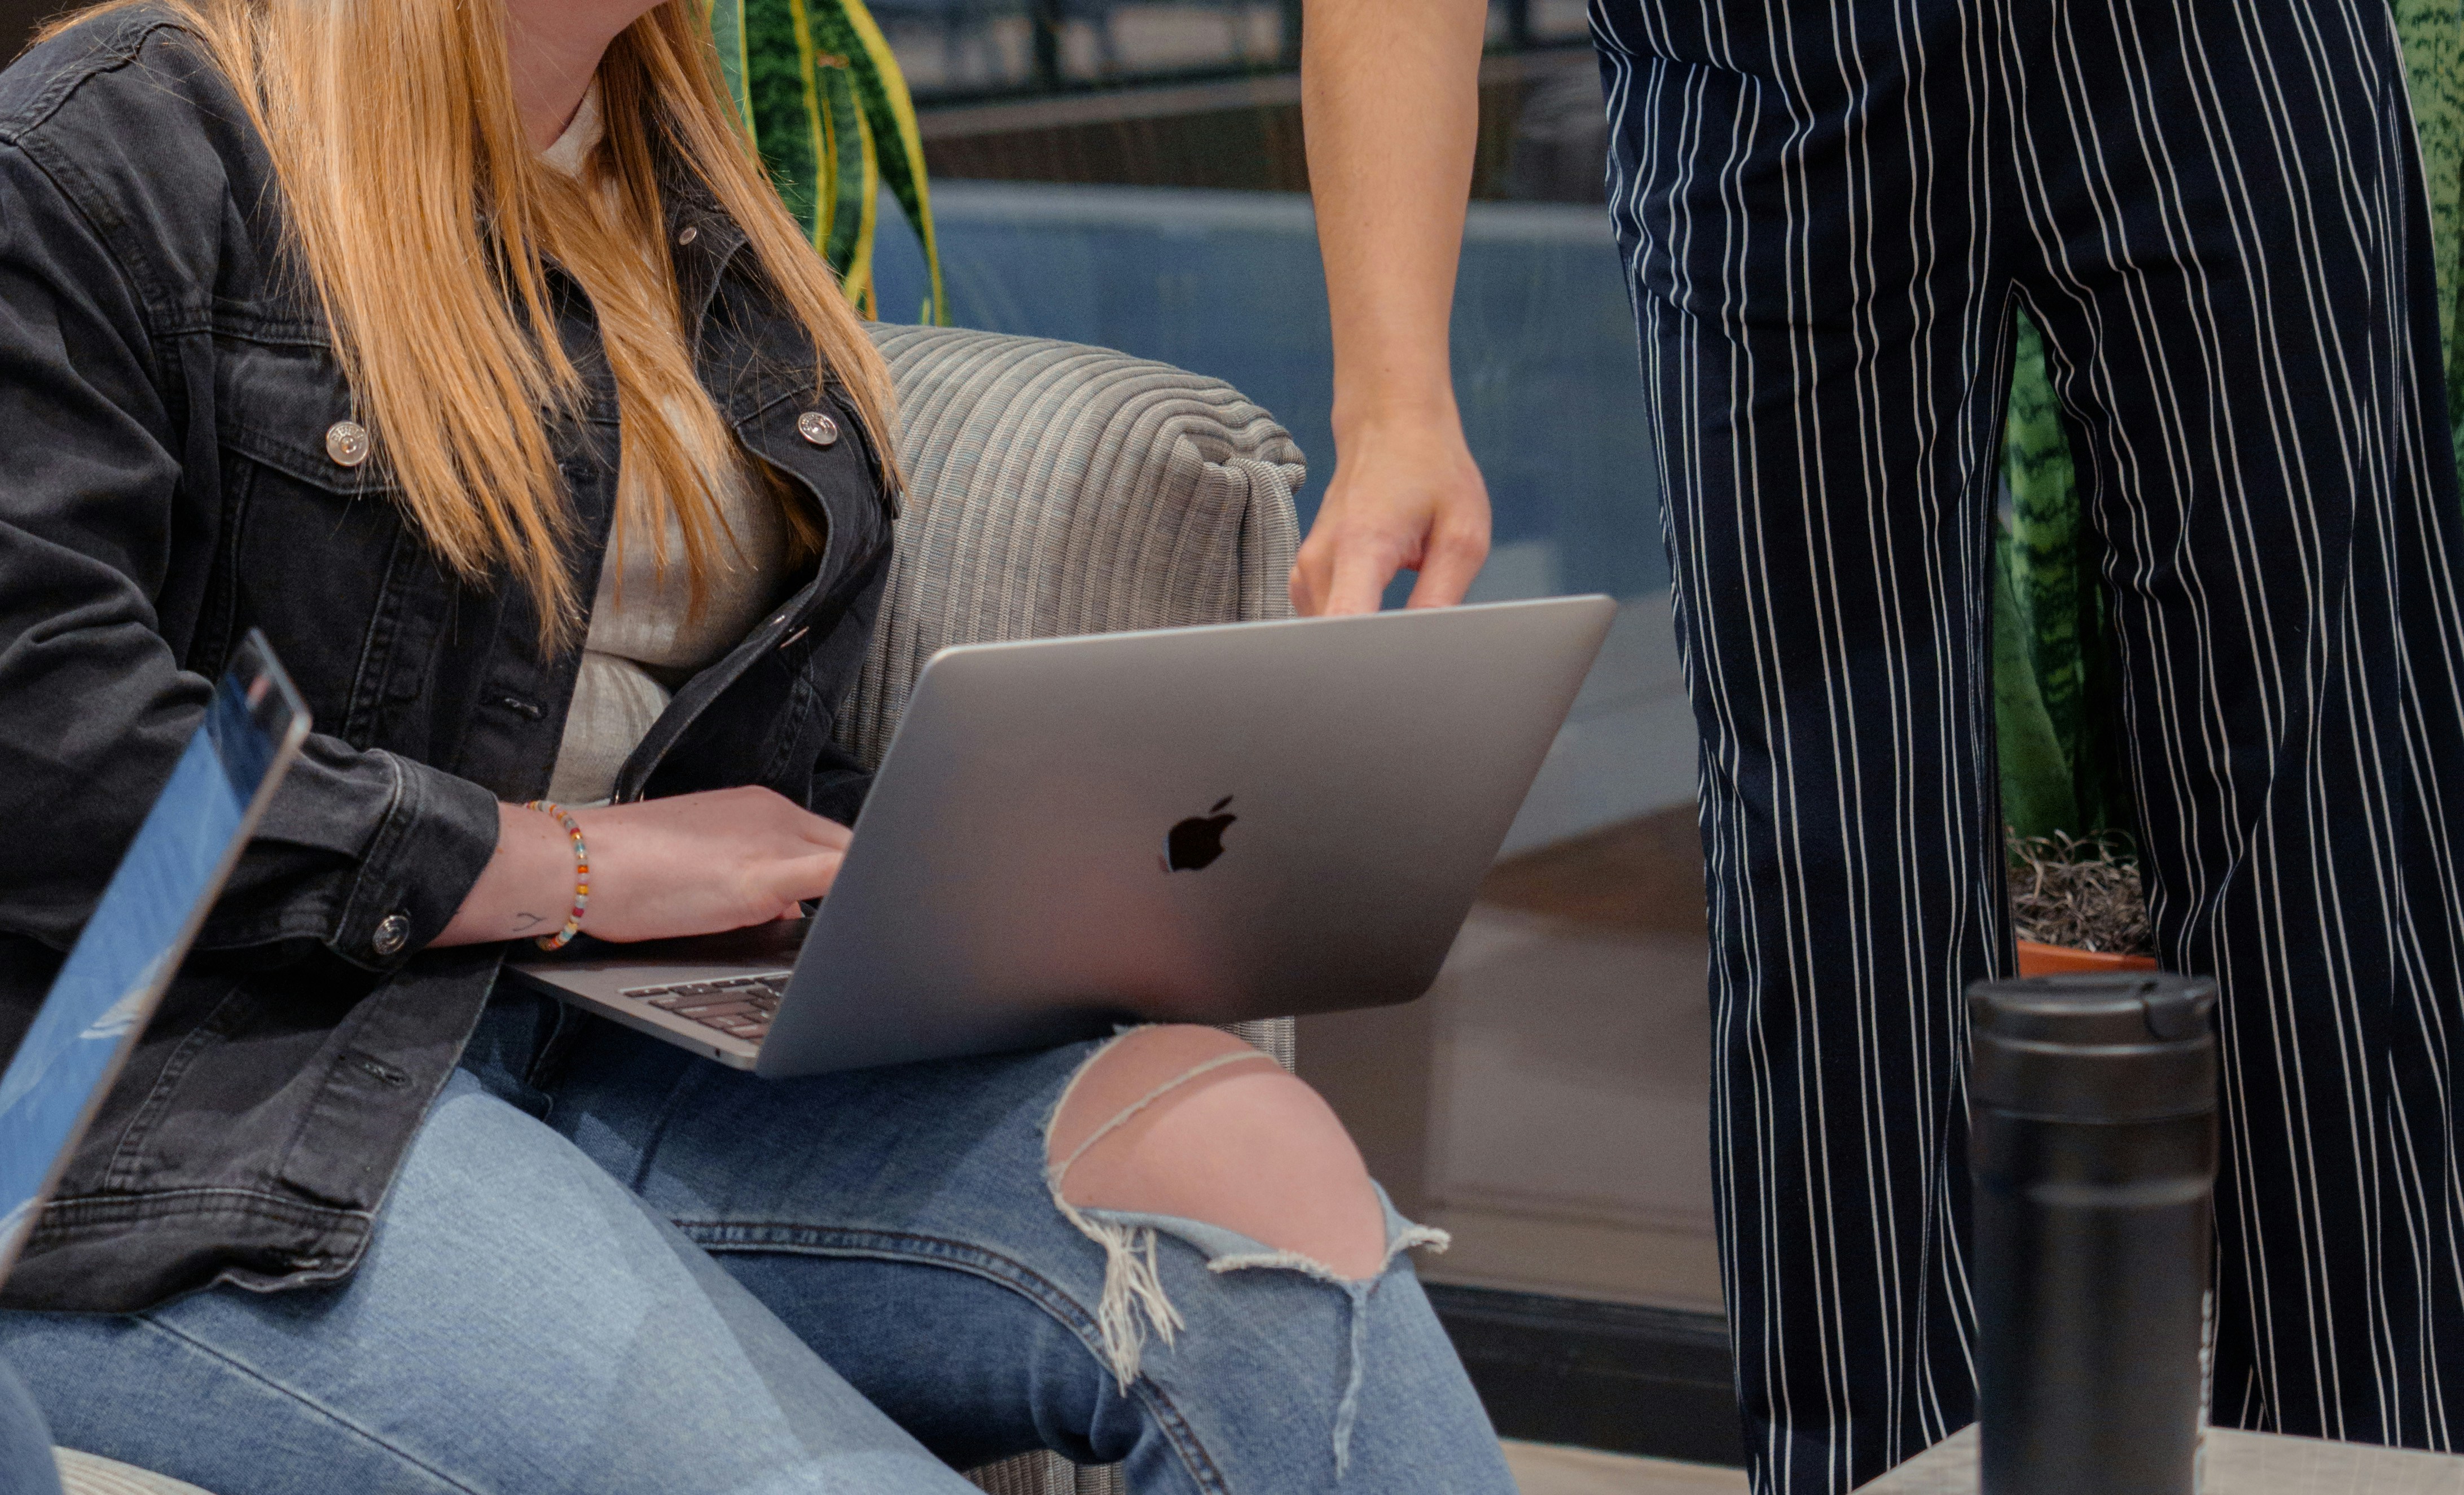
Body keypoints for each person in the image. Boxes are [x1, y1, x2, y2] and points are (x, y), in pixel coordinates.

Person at [0, 0, 1516, 1488]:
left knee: (1275, 1210)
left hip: (638, 1035)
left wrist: (988, 886)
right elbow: (49, 751)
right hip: (200, 1091)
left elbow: (703, 737)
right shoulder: (120, 145)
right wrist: (563, 865)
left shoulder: (688, 186)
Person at [1293, 0, 2464, 1491]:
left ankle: (2377, 1462)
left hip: (2222, 48)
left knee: (2332, 828)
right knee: (1831, 865)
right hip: (1778, 63)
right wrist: (1393, 398)